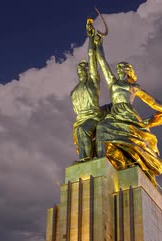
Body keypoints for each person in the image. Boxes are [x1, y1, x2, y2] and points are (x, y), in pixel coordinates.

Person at [91, 32, 162, 182]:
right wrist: (98, 44)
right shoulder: (113, 82)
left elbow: (154, 103)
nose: (118, 70)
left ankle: (134, 163)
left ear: (128, 71)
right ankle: (99, 163)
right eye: (118, 68)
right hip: (115, 113)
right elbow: (102, 63)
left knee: (134, 141)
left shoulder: (134, 87)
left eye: (122, 68)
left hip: (129, 116)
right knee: (101, 128)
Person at [70, 19, 104, 162]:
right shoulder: (74, 91)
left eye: (85, 67)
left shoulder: (93, 81)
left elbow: (91, 57)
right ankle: (86, 159)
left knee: (83, 129)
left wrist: (90, 38)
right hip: (80, 120)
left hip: (94, 118)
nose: (82, 68)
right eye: (79, 67)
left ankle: (86, 160)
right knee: (80, 129)